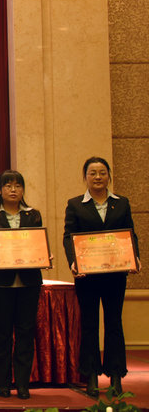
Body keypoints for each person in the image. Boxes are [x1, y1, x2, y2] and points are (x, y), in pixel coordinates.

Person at [63, 156, 141, 397]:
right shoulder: (75, 204)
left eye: (102, 173)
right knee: (89, 325)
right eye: (92, 173)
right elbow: (69, 237)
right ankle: (91, 376)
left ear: (109, 176)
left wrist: (135, 257)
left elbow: (130, 234)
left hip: (115, 274)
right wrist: (73, 261)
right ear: (85, 177)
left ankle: (116, 376)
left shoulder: (122, 203)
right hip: (87, 275)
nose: (98, 177)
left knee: (114, 323)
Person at [0, 170, 42, 399]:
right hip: (1, 283)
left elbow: (38, 242)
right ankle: (3, 383)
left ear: (23, 189)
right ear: (0, 190)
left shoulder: (33, 215)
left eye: (17, 186)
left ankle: (22, 384)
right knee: (2, 333)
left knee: (25, 332)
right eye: (8, 185)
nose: (13, 190)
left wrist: (43, 255)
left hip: (29, 282)